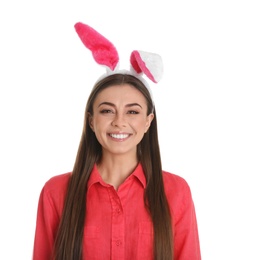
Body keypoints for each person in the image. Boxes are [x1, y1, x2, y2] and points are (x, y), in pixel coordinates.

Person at [33, 22, 201, 260]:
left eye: (132, 112)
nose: (119, 122)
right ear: (91, 121)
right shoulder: (56, 193)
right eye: (107, 111)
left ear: (148, 121)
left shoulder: (176, 192)